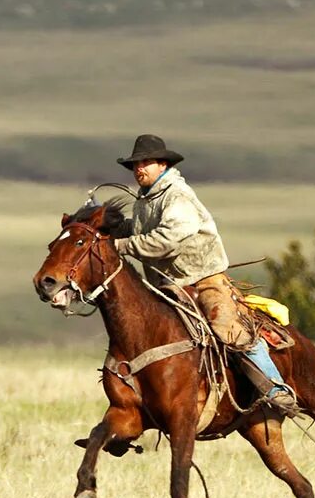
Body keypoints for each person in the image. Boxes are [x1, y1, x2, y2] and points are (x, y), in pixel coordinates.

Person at [111, 134, 299, 416]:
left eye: (145, 163)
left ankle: (275, 389)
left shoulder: (177, 196)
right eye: (135, 165)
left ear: (162, 164)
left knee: (228, 328)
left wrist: (121, 245)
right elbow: (141, 230)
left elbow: (167, 239)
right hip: (167, 286)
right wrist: (110, 226)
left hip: (203, 280)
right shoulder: (146, 198)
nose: (139, 169)